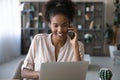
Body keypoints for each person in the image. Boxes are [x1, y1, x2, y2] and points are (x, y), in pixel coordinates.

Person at [21, 0, 84, 79]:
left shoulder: (78, 46)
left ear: (69, 25)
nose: (60, 30)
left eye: (64, 25)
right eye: (56, 25)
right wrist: (40, 74)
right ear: (49, 24)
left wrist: (75, 46)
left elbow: (77, 76)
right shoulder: (38, 40)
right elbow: (24, 73)